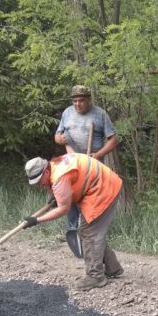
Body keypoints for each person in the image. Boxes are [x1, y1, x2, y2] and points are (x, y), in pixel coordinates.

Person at [22, 153, 124, 291]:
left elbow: (64, 209)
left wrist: (36, 220)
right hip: (100, 183)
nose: (40, 184)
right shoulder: (55, 166)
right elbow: (64, 188)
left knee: (89, 232)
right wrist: (56, 198)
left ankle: (96, 276)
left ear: (46, 171)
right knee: (91, 232)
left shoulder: (59, 177)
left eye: (40, 180)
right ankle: (113, 268)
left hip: (102, 189)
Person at [55, 84, 118, 232]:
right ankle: (72, 229)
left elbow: (113, 140)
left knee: (89, 198)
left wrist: (98, 155)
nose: (77, 104)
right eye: (75, 101)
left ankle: (88, 230)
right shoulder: (67, 113)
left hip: (92, 164)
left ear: (89, 99)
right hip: (72, 163)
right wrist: (60, 140)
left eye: (81, 100)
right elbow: (58, 136)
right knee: (70, 195)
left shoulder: (100, 114)